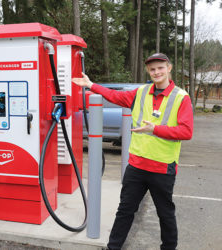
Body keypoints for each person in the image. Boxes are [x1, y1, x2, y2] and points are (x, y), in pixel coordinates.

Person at [72, 53, 193, 250]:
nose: (157, 72)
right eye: (152, 69)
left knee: (165, 214)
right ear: (148, 71)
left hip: (162, 168)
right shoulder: (141, 92)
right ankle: (114, 247)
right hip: (136, 166)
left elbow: (186, 132)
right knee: (125, 211)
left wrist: (154, 128)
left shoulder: (181, 97)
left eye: (160, 68)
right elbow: (115, 96)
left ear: (169, 68)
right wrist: (91, 84)